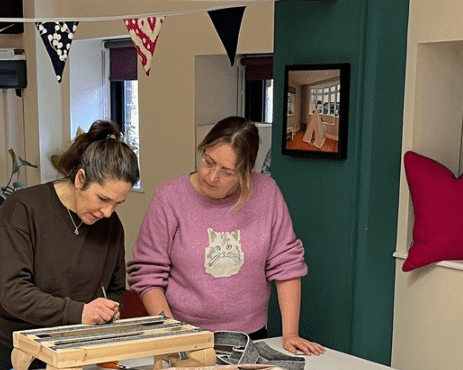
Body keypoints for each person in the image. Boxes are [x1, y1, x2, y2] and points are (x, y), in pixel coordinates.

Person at [129, 116, 323, 354]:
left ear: (245, 173)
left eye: (227, 172)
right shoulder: (169, 198)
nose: (212, 177)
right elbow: (147, 274)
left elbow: (286, 264)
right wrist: (172, 334)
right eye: (208, 162)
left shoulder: (267, 193)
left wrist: (290, 333)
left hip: (250, 335)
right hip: (183, 332)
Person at [0, 120, 139, 370]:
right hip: (8, 351)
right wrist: (80, 313)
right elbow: (14, 293)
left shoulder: (111, 226)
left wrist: (107, 312)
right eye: (103, 199)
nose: (108, 212)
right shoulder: (22, 210)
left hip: (71, 351)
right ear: (80, 179)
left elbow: (114, 289)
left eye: (117, 203)